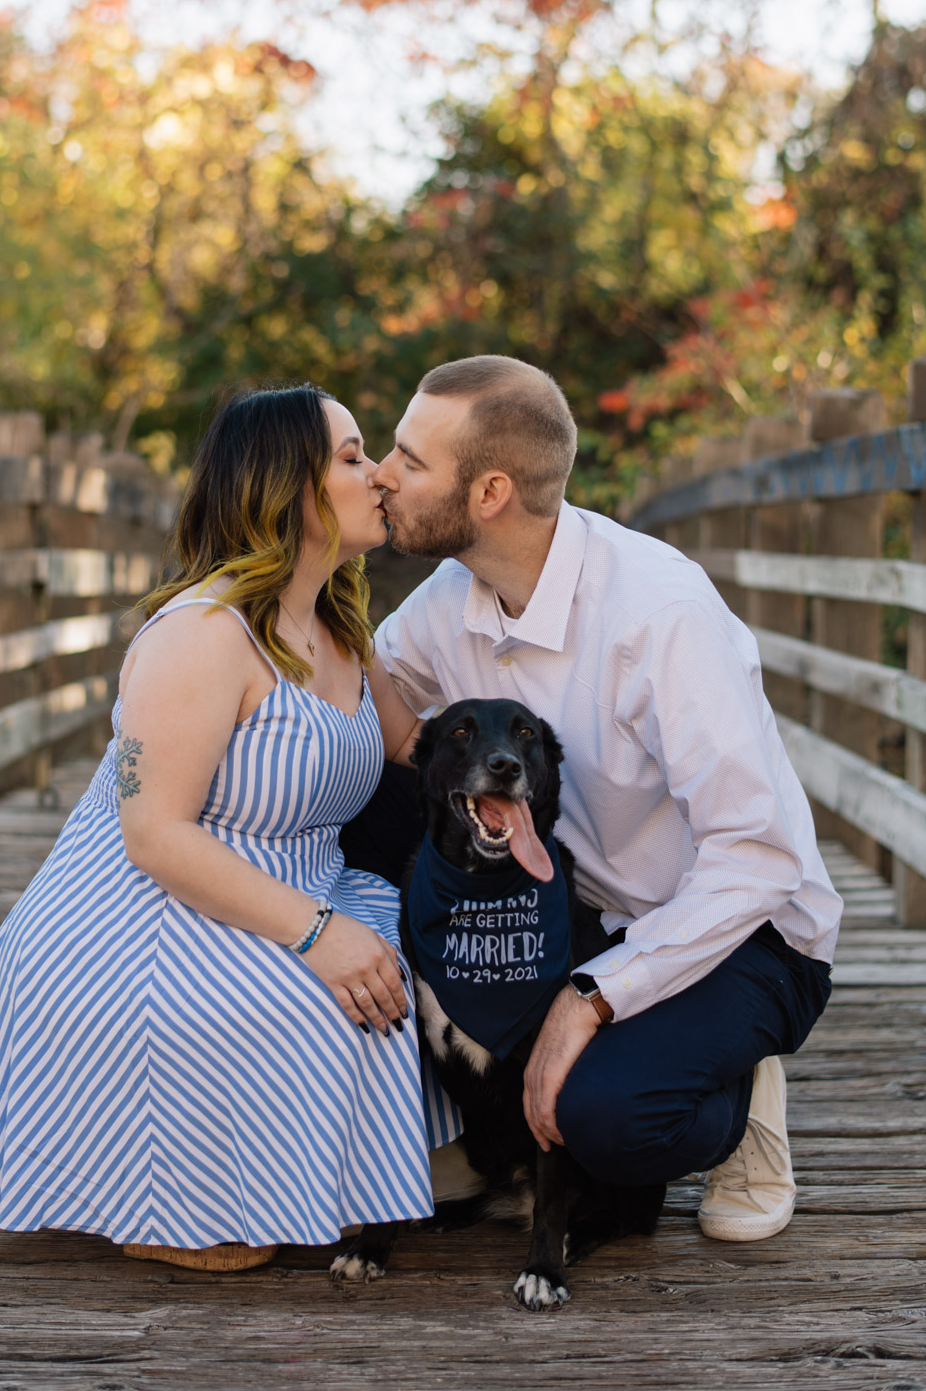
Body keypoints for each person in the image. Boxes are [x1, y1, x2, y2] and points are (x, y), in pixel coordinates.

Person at [0, 384, 447, 1269]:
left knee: (408, 951)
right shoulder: (203, 634)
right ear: (284, 486)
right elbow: (153, 835)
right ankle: (166, 1197)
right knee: (308, 1000)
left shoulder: (340, 627)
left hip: (299, 881)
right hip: (150, 910)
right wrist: (317, 935)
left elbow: (416, 747)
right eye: (351, 456)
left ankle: (352, 1165)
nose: (377, 475)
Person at [365, 355, 842, 1242]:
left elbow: (758, 857)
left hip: (741, 933)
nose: (381, 476)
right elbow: (364, 700)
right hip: (575, 902)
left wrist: (591, 996)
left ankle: (736, 1094)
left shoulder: (659, 615)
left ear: (490, 492)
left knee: (604, 1119)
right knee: (356, 791)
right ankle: (478, 1124)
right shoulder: (447, 599)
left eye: (407, 459)